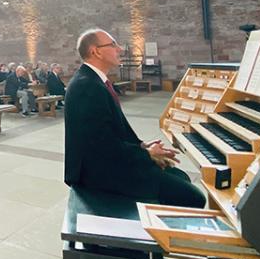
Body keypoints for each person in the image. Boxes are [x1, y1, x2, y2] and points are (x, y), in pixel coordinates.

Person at [64, 28, 205, 208]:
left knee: (180, 176)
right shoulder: (87, 86)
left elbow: (110, 133)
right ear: (96, 51)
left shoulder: (94, 81)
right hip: (99, 173)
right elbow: (101, 146)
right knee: (194, 197)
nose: (120, 49)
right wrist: (146, 155)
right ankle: (163, 232)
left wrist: (142, 146)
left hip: (109, 161)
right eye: (113, 44)